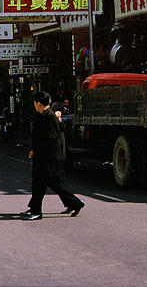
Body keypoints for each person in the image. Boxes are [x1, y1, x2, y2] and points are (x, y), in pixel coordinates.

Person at [21, 92, 84, 220]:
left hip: (47, 158)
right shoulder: (44, 116)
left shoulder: (48, 117)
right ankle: (74, 203)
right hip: (45, 157)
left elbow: (51, 138)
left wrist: (37, 150)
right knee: (49, 184)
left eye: (34, 103)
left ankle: (36, 211)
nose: (34, 105)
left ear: (39, 104)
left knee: (41, 184)